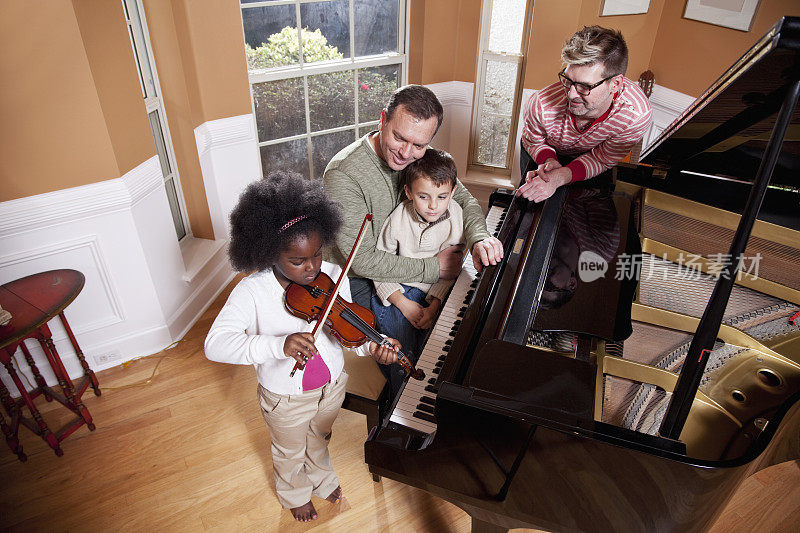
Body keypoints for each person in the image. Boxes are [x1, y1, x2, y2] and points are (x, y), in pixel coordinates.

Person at [204, 173, 399, 523]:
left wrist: (375, 346)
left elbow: (348, 334)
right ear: (268, 254)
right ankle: (293, 491)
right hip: (286, 397)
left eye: (317, 253)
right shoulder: (252, 292)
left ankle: (323, 478)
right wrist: (278, 345)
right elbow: (215, 345)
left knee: (320, 438)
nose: (312, 267)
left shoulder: (333, 274)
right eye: (298, 260)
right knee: (289, 450)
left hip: (331, 387)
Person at [323, 84, 503, 380]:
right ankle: (402, 407)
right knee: (404, 343)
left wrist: (479, 236)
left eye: (419, 145)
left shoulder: (419, 152)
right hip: (355, 279)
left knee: (457, 315)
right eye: (398, 137)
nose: (407, 153)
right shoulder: (344, 175)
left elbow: (464, 199)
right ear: (382, 120)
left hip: (405, 258)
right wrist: (436, 267)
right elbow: (363, 261)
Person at [517, 26, 652, 203]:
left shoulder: (636, 116)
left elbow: (602, 158)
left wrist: (561, 176)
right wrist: (548, 160)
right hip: (546, 152)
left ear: (615, 84)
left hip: (594, 157)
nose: (571, 94)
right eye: (568, 80)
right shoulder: (540, 105)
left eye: (585, 86)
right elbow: (534, 140)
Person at [371, 148, 463, 395]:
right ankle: (400, 397)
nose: (434, 206)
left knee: (432, 345)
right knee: (400, 348)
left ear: (453, 192)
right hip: (395, 292)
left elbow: (449, 271)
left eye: (442, 197)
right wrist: (401, 302)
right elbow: (379, 265)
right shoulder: (398, 218)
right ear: (409, 192)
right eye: (424, 197)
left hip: (432, 292)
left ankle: (425, 393)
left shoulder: (456, 217)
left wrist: (434, 304)